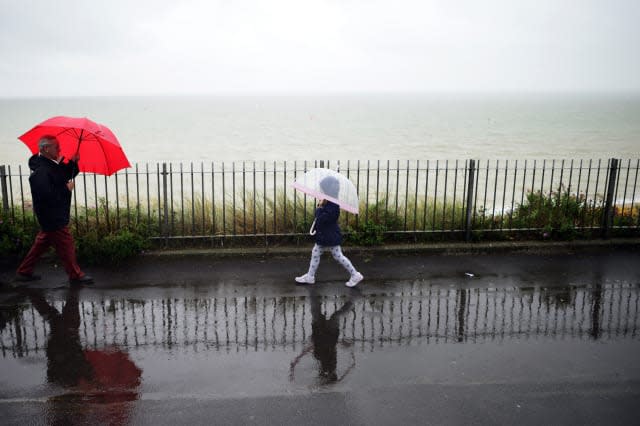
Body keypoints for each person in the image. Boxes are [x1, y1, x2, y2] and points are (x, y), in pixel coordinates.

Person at [14, 135, 93, 285]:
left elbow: (63, 174)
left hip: (51, 214)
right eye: (56, 147)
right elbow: (45, 195)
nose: (60, 149)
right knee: (66, 243)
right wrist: (65, 189)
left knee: (42, 243)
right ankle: (75, 275)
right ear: (45, 148)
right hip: (51, 215)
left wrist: (73, 163)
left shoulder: (49, 164)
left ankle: (24, 272)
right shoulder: (41, 170)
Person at [295, 175, 363, 287]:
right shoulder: (329, 202)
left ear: (327, 191)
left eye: (322, 189)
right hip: (325, 235)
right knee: (316, 253)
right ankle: (310, 276)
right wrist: (321, 205)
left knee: (338, 256)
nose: (320, 190)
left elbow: (322, 219)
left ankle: (355, 274)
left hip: (329, 236)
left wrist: (319, 208)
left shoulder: (333, 205)